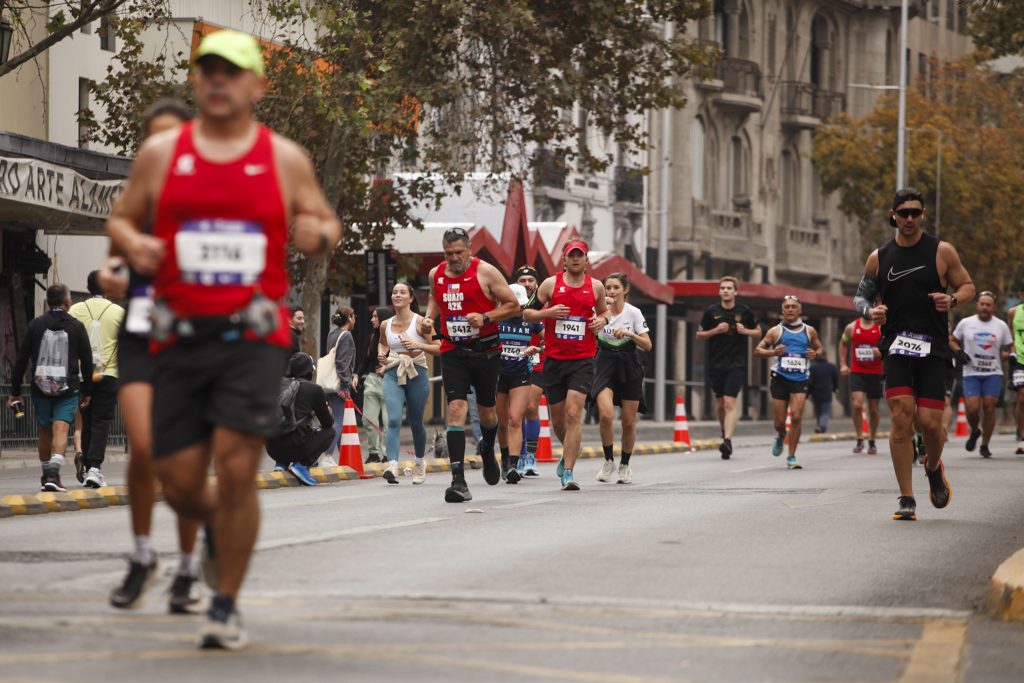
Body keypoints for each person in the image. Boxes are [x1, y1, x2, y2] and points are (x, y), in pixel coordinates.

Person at [106, 30, 342, 649]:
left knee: (237, 470)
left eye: (231, 72)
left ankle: (225, 605)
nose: (217, 80)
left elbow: (322, 218)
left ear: (256, 86)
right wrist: (136, 245)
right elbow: (123, 219)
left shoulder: (284, 158)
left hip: (251, 336)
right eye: (208, 70)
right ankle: (221, 527)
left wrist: (315, 232)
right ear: (197, 82)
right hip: (177, 336)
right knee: (180, 480)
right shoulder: (162, 153)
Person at [98, 98, 203, 614]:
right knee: (144, 446)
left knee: (185, 463)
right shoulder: (138, 198)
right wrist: (114, 271)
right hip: (142, 335)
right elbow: (114, 253)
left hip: (194, 341)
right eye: (152, 141)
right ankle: (142, 554)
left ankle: (186, 567)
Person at [855, 187, 973, 521]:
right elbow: (860, 298)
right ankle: (906, 497)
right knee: (902, 415)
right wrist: (870, 313)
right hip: (896, 346)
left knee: (931, 425)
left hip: (933, 346)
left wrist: (951, 300)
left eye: (915, 213)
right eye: (903, 212)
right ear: (893, 215)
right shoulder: (879, 257)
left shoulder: (941, 251)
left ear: (922, 215)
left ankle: (933, 467)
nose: (909, 218)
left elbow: (967, 286)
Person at [419, 227, 520, 503]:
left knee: (488, 414)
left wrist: (486, 317)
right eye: (448, 253)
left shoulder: (486, 272)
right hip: (453, 350)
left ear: (470, 249)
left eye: (458, 252)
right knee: (456, 409)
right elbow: (434, 297)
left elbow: (513, 305)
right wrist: (429, 317)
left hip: (486, 352)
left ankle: (487, 450)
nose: (453, 258)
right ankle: (458, 481)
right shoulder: (436, 274)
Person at [524, 239, 609, 490]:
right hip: (554, 359)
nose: (575, 259)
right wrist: (547, 313)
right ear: (564, 259)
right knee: (559, 421)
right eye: (571, 255)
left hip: (582, 359)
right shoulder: (550, 284)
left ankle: (569, 473)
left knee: (574, 413)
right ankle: (569, 450)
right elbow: (528, 314)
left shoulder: (596, 287)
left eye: (579, 255)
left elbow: (604, 313)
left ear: (586, 260)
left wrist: (601, 322)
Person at [8, 284, 93, 493]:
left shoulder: (35, 325)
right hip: (68, 387)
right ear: (67, 302)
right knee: (61, 428)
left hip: (40, 387)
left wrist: (15, 390)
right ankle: (54, 475)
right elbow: (87, 362)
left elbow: (21, 360)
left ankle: (47, 475)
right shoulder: (76, 326)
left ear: (48, 302)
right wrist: (87, 390)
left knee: (44, 431)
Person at [592, 273, 651, 484]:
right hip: (604, 363)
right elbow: (587, 334)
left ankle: (625, 465)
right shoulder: (597, 311)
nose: (611, 292)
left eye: (616, 287)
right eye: (608, 288)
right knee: (606, 415)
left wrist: (629, 334)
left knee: (628, 421)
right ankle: (608, 461)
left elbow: (647, 344)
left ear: (625, 290)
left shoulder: (633, 312)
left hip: (628, 364)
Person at [68, 270, 125, 488]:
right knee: (102, 420)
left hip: (82, 375)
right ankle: (95, 468)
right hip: (109, 374)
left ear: (88, 287)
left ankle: (88, 461)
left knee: (87, 419)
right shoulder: (118, 312)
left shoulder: (75, 309)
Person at [379, 282, 439, 484]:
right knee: (394, 420)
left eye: (402, 292)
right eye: (394, 292)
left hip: (417, 372)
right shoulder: (385, 324)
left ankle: (420, 462)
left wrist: (417, 345)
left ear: (411, 298)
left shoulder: (422, 322)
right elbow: (383, 342)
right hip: (393, 372)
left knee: (415, 422)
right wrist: (381, 353)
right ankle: (392, 465)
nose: (397, 295)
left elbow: (439, 347)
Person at [754, 296, 824, 469]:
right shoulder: (775, 331)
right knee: (779, 422)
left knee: (796, 416)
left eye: (794, 307)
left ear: (800, 310)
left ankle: (791, 456)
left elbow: (819, 347)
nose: (791, 309)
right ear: (782, 310)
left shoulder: (810, 331)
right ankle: (780, 434)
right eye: (787, 307)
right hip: (780, 378)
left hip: (800, 379)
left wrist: (816, 354)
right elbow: (757, 350)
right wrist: (773, 353)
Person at [696, 276, 761, 459]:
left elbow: (758, 332)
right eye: (722, 288)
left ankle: (727, 440)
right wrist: (715, 331)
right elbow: (699, 335)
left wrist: (745, 331)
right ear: (719, 291)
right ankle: (724, 431)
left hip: (736, 364)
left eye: (729, 288)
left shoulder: (744, 311)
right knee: (719, 404)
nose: (725, 291)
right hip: (715, 364)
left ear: (735, 291)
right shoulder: (711, 312)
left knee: (729, 402)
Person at [950, 291, 1012, 458]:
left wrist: (1008, 355)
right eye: (982, 304)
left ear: (994, 307)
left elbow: (1009, 346)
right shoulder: (966, 323)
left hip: (993, 372)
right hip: (971, 372)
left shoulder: (1001, 326)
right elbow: (952, 339)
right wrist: (958, 352)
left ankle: (985, 444)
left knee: (990, 408)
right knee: (972, 409)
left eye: (988, 305)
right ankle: (975, 430)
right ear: (977, 305)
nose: (984, 307)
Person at [496, 283, 542, 484]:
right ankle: (505, 458)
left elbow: (548, 338)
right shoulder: (495, 319)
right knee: (502, 422)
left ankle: (514, 466)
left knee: (516, 419)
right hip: (497, 374)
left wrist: (537, 348)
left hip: (521, 374)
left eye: (522, 305)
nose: (519, 309)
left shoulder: (530, 320)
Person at [266, 352, 335, 485]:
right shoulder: (314, 390)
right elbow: (327, 423)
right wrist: (323, 410)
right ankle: (302, 465)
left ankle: (282, 463)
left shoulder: (276, 385)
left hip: (272, 448)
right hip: (297, 448)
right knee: (329, 432)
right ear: (309, 371)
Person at [514, 266, 544, 477]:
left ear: (536, 284)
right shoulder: (510, 305)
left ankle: (530, 456)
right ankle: (519, 455)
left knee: (531, 406)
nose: (526, 283)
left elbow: (548, 334)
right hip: (515, 361)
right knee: (517, 412)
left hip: (538, 361)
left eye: (530, 280)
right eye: (522, 280)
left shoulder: (544, 304)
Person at [839, 312, 883, 453]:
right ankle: (859, 438)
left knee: (874, 408)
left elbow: (889, 343)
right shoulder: (851, 327)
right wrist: (843, 364)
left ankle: (872, 440)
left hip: (876, 372)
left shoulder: (881, 327)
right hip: (858, 371)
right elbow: (843, 343)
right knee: (857, 404)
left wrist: (881, 351)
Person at [355, 306, 393, 463]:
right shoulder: (371, 338)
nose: (372, 320)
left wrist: (387, 366)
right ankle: (373, 453)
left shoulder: (394, 338)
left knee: (389, 422)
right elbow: (365, 361)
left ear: (384, 319)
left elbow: (402, 358)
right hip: (371, 380)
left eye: (375, 317)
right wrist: (356, 375)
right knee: (368, 420)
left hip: (390, 381)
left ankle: (387, 454)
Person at [322, 306, 355, 464]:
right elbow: (342, 363)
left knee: (338, 419)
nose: (355, 319)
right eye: (354, 316)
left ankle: (344, 457)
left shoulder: (331, 333)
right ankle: (327, 456)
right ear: (349, 318)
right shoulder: (346, 335)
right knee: (339, 420)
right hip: (339, 383)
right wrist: (345, 385)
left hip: (328, 381)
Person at [1007, 286, 1024, 454]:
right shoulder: (1013, 312)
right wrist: (1012, 351)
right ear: (1021, 294)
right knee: (1022, 397)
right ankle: (1022, 433)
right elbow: (1009, 333)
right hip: (1020, 359)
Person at [808, 351, 838, 434]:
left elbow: (809, 380)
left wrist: (808, 391)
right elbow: (835, 379)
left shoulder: (813, 367)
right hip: (826, 392)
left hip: (815, 392)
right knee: (825, 411)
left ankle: (819, 426)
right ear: (826, 356)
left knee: (818, 411)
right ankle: (821, 426)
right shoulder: (831, 367)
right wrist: (835, 388)